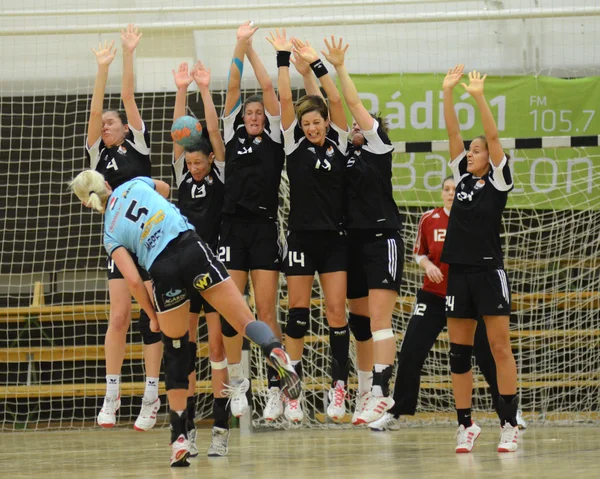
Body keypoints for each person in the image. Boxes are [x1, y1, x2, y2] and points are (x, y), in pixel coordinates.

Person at [69, 171, 301, 467]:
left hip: (163, 271)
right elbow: (165, 190)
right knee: (243, 320)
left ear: (88, 204)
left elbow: (134, 282)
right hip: (191, 248)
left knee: (176, 351)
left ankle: (179, 438)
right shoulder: (135, 183)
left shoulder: (110, 232)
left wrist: (152, 316)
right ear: (108, 184)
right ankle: (274, 350)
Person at [368, 177, 525, 432]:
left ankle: (509, 413)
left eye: (455, 189)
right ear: (442, 193)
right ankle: (396, 412)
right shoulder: (429, 219)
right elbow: (419, 252)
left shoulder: (473, 217)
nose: (451, 193)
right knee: (410, 352)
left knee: (488, 355)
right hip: (434, 296)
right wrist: (428, 265)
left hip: (470, 298)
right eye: (446, 189)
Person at [321, 37, 405, 425]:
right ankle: (365, 389)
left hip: (381, 239)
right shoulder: (345, 151)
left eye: (364, 121)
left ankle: (381, 394)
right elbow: (330, 110)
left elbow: (351, 103)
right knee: (359, 325)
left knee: (378, 320)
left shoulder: (378, 146)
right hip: (350, 242)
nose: (356, 122)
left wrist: (337, 67)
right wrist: (309, 70)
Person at [268, 30, 351, 421]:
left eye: (317, 122)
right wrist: (283, 60)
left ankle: (339, 389)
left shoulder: (338, 141)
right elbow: (286, 99)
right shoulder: (293, 144)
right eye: (307, 123)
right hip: (300, 237)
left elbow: (335, 99)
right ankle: (293, 391)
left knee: (336, 312)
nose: (312, 128)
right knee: (297, 313)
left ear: (325, 123)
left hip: (334, 240)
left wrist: (317, 64)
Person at [85, 26, 163, 430]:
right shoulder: (98, 155)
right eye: (104, 125)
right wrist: (102, 69)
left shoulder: (139, 146)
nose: (106, 127)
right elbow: (96, 112)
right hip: (119, 241)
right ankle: (111, 395)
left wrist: (128, 55)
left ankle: (151, 397)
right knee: (119, 317)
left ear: (126, 129)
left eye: (112, 124)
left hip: (149, 239)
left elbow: (128, 97)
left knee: (153, 317)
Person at [441, 65, 520, 453]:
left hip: (489, 272)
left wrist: (477, 96)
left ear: (490, 156)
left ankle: (509, 424)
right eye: (468, 151)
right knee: (458, 352)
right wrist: (446, 93)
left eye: (476, 151)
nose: (469, 153)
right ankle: (466, 425)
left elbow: (490, 134)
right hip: (459, 272)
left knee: (499, 347)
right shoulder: (463, 177)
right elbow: (454, 133)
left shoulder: (500, 179)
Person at [171, 61, 241, 457]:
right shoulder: (183, 174)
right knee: (185, 349)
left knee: (217, 349)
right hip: (184, 268)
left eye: (199, 163)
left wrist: (205, 89)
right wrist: (182, 90)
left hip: (214, 269)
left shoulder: (221, 175)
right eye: (190, 163)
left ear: (210, 161)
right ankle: (187, 431)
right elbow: (180, 135)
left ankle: (220, 428)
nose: (194, 168)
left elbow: (211, 130)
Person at [220, 21, 285, 421]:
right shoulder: (232, 134)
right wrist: (238, 46)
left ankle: (275, 389)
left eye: (259, 112)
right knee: (233, 310)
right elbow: (232, 89)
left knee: (265, 311)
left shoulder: (276, 136)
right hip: (232, 227)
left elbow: (267, 89)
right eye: (249, 112)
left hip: (263, 228)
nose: (255, 114)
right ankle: (239, 384)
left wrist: (256, 51)